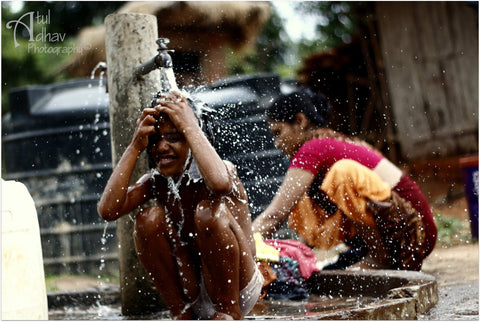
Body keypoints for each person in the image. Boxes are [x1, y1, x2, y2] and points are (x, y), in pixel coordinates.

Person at [97, 90, 263, 320]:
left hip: (238, 287)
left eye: (174, 138)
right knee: (148, 219)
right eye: (155, 140)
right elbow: (108, 210)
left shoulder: (222, 170)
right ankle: (180, 312)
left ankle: (228, 312)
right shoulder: (157, 182)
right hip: (194, 286)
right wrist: (135, 146)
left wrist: (190, 126)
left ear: (193, 137)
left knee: (209, 212)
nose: (162, 147)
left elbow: (220, 184)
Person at [252, 89, 437, 271]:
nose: (277, 144)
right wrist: (297, 257)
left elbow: (275, 215)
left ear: (300, 121)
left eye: (278, 133)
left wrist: (244, 249)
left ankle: (380, 259)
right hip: (411, 234)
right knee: (298, 191)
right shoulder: (332, 140)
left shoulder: (312, 149)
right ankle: (368, 254)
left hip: (413, 235)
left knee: (342, 174)